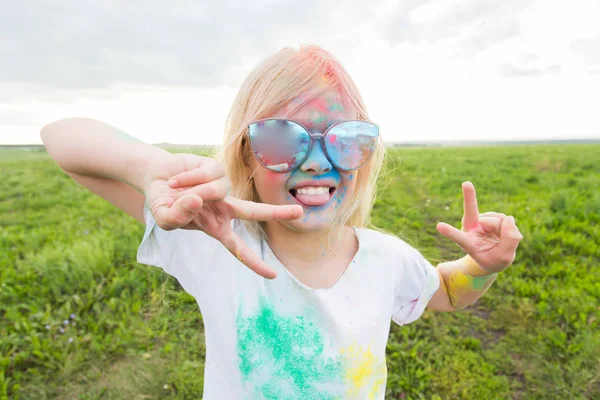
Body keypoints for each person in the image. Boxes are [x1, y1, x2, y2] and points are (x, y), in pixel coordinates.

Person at [40, 44, 524, 399]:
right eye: (281, 138)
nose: (315, 162)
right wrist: (149, 167)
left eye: (345, 137)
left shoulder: (385, 258)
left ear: (367, 155)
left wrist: (482, 267)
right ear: (245, 157)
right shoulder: (216, 242)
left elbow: (444, 290)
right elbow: (61, 138)